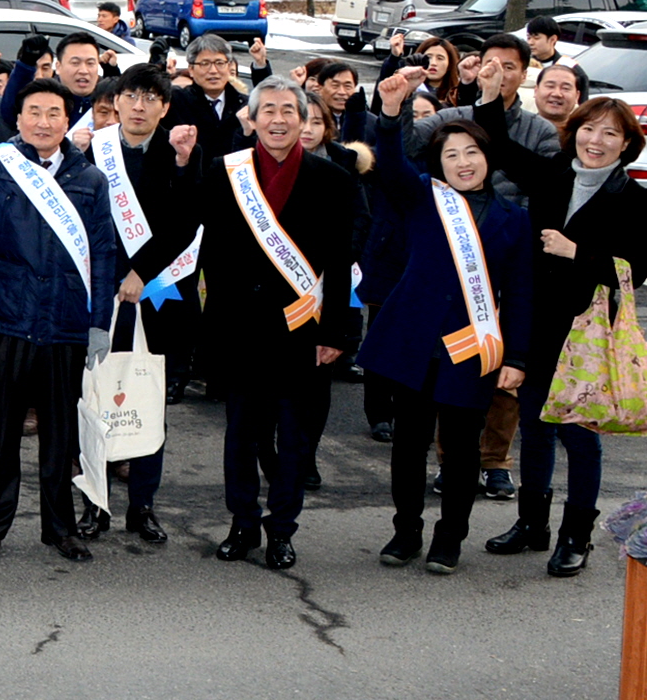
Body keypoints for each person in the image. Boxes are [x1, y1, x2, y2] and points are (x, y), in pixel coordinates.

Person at [0, 76, 125, 563]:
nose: (43, 122)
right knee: (0, 431)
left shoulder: (89, 179)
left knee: (61, 435)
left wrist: (99, 320)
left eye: (54, 114)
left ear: (68, 120)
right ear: (17, 119)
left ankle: (60, 528)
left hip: (65, 321)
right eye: (33, 112)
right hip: (8, 319)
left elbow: (103, 254)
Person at [364, 65, 533, 574]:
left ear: (487, 158)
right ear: (438, 163)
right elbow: (388, 168)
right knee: (409, 445)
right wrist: (390, 111)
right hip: (414, 341)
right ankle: (406, 531)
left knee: (461, 452)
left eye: (472, 153)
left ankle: (449, 538)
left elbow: (521, 293)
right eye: (451, 154)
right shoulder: (424, 198)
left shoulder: (513, 218)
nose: (463, 163)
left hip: (471, 346)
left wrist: (518, 356)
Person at [197, 78, 360, 571]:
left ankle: (282, 529)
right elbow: (203, 244)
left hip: (301, 329)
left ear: (305, 118)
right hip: (241, 329)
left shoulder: (332, 178)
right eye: (268, 110)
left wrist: (336, 334)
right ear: (252, 118)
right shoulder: (225, 173)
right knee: (241, 435)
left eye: (289, 110)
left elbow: (339, 260)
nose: (279, 119)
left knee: (293, 439)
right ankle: (242, 522)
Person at [480, 93, 644, 576]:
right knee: (534, 428)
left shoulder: (635, 201)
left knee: (579, 436)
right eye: (590, 129)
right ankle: (532, 525)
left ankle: (576, 536)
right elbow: (503, 148)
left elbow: (637, 270)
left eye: (611, 133)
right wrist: (489, 95)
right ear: (574, 132)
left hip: (588, 337)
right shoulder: (553, 174)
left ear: (626, 145)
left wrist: (580, 253)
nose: (597, 141)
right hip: (537, 327)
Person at [70, 65, 203, 546]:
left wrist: (140, 273)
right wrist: (109, 276)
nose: (141, 106)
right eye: (132, 96)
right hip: (97, 292)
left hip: (154, 293)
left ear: (165, 107)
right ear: (117, 101)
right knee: (93, 398)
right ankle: (94, 502)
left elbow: (185, 222)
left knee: (145, 400)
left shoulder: (181, 152)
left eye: (152, 98)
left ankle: (142, 506)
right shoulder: (90, 150)